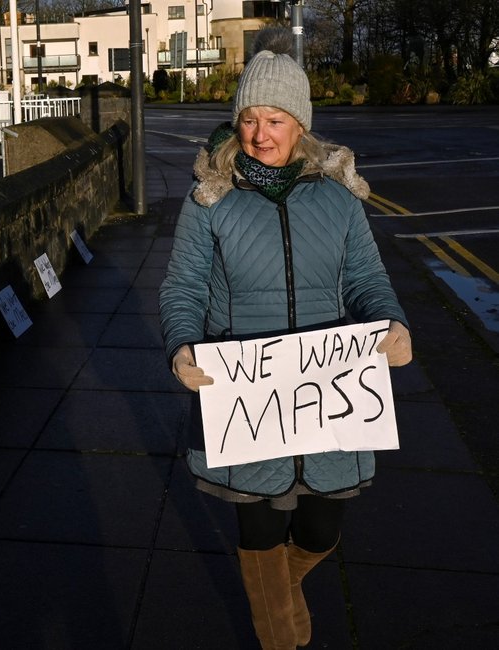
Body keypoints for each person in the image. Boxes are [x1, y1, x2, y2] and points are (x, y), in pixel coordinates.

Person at [158, 27, 413, 649]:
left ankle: (283, 593)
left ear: (300, 125)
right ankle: (282, 638)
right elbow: (182, 288)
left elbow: (367, 282)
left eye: (275, 119)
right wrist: (182, 345)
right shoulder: (209, 201)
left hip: (329, 397)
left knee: (322, 532)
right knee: (261, 536)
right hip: (246, 402)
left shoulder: (340, 200)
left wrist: (394, 323)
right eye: (249, 119)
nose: (260, 134)